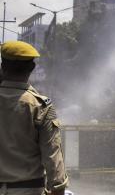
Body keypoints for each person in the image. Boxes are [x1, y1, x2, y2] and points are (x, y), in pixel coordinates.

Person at [0, 40, 68, 195]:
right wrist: (58, 187)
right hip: (28, 189)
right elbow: (52, 153)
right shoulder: (40, 107)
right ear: (32, 68)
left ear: (2, 67)